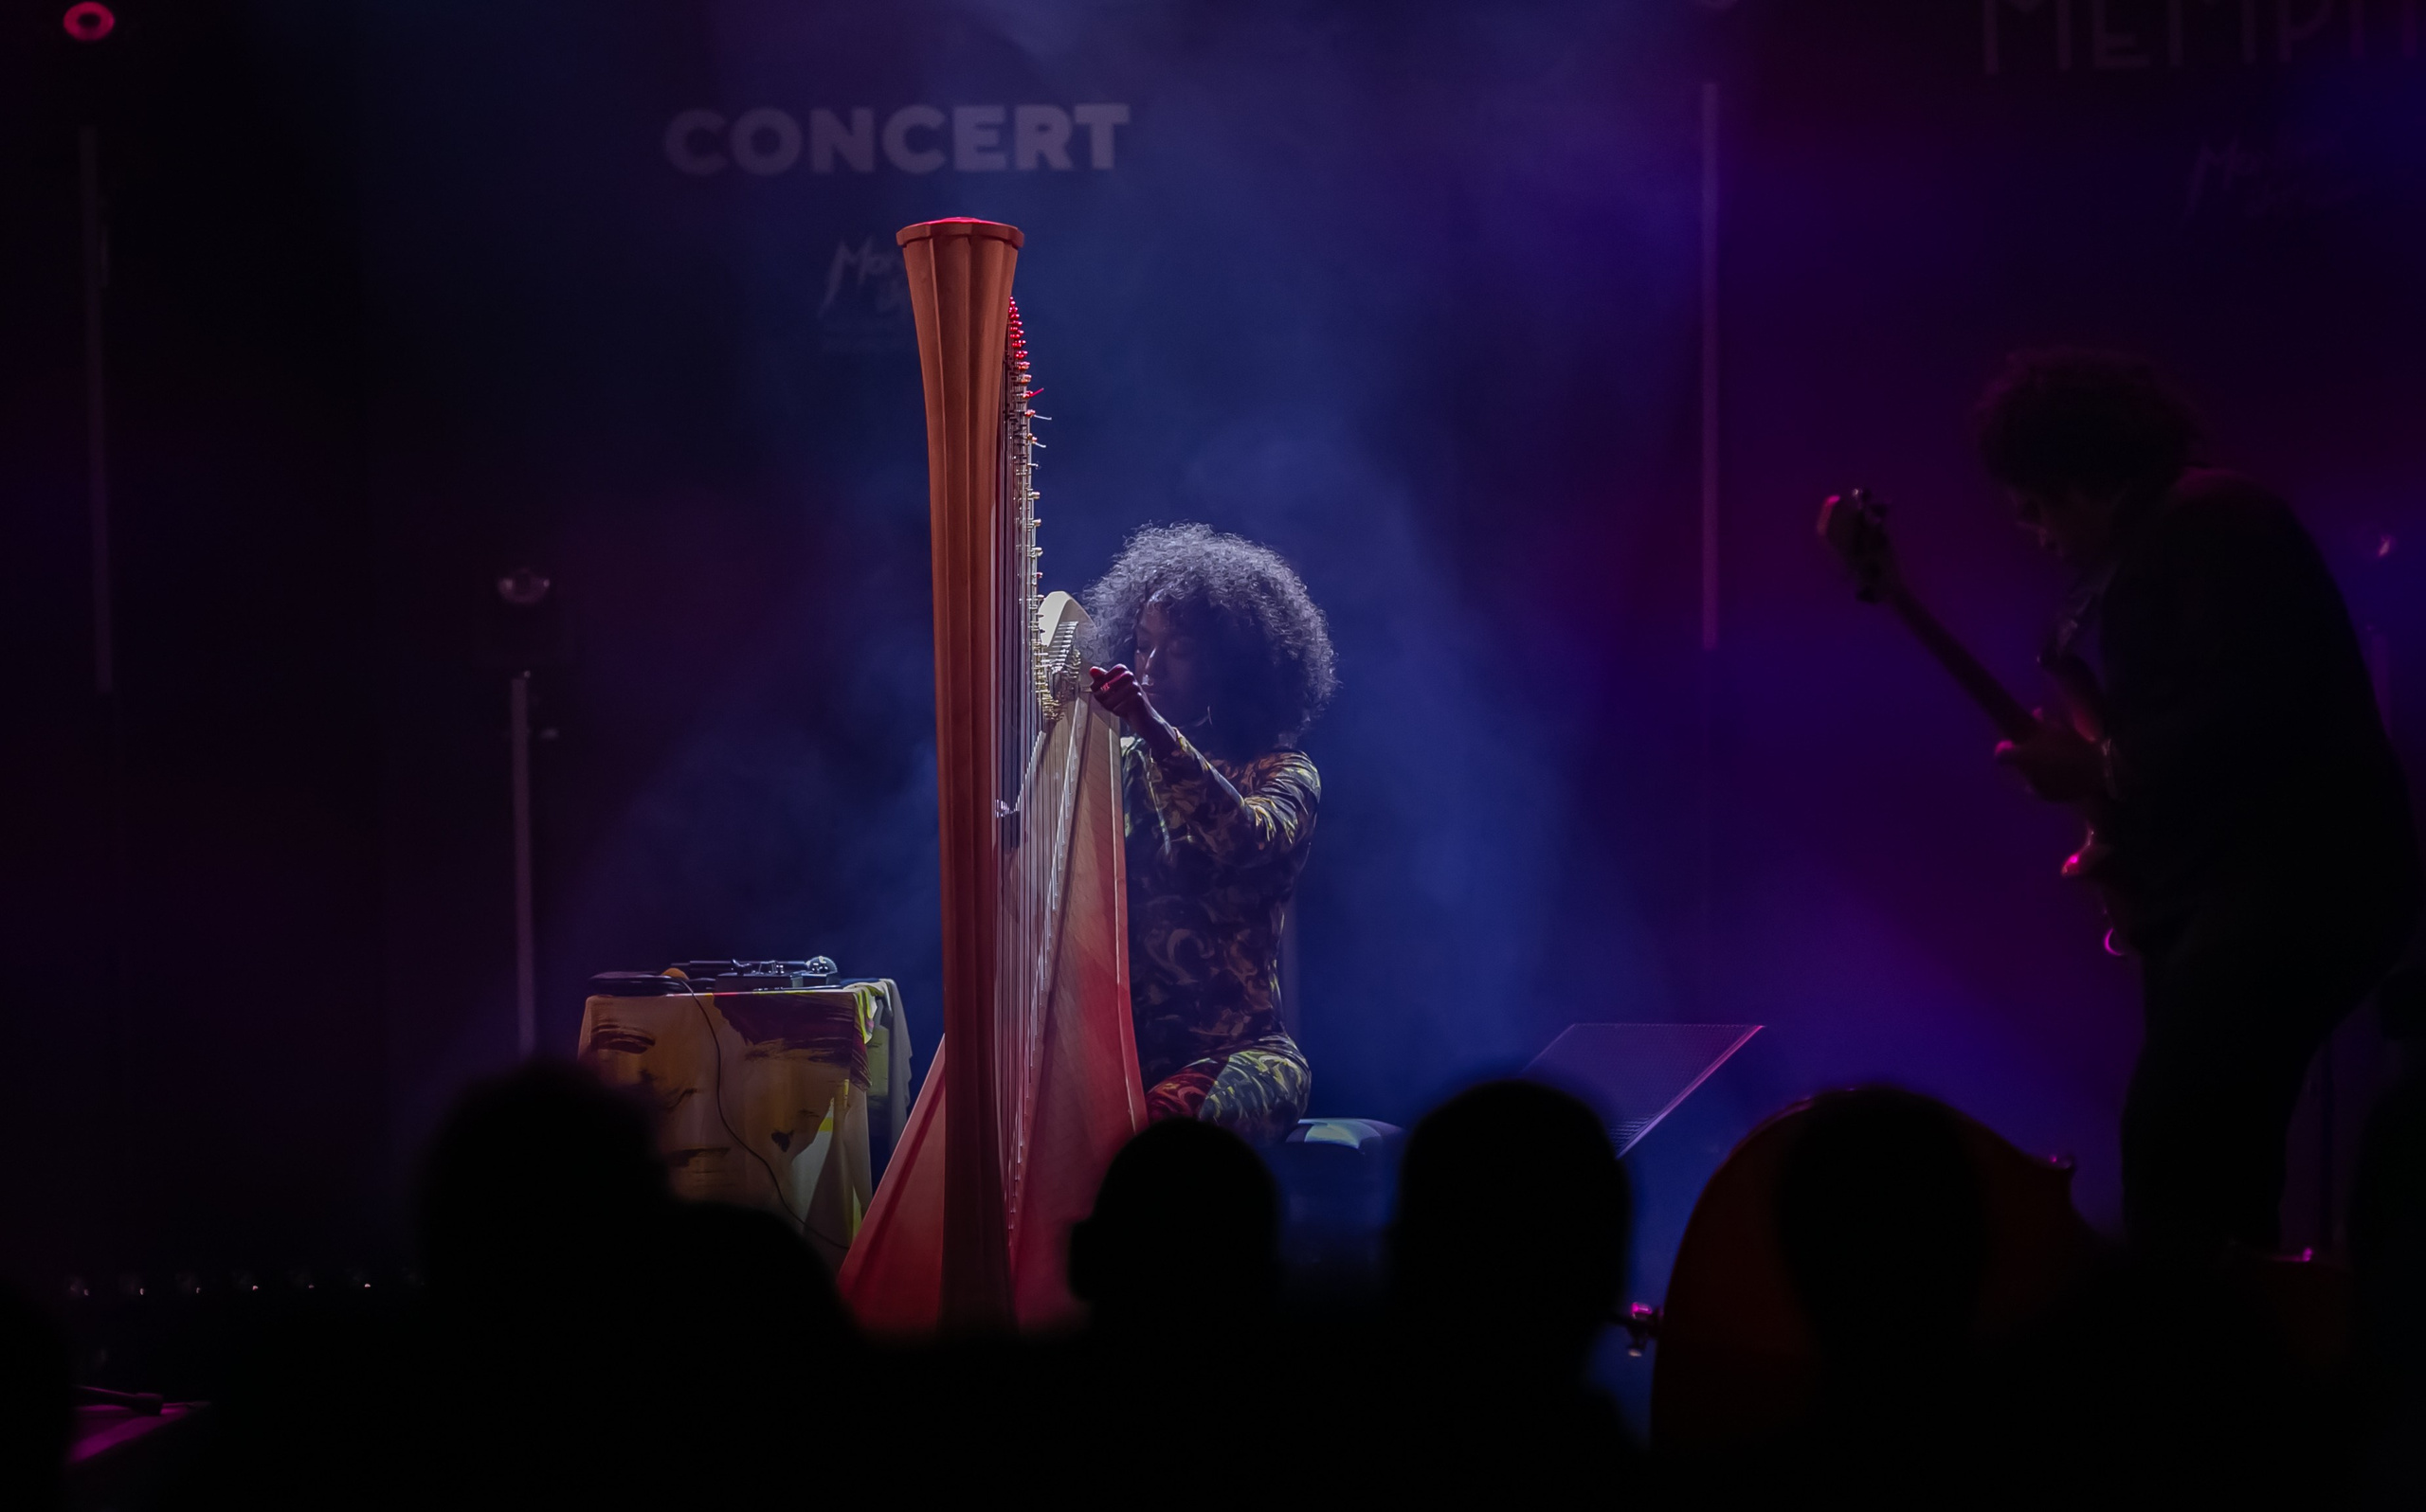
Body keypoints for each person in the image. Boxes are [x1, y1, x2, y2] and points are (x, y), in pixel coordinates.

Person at [1975, 349, 2420, 1256]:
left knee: (2184, 1150)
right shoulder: (2178, 534)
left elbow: (2240, 708)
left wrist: (2103, 768)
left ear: (2069, 477)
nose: (2030, 531)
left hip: (2294, 889)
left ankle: (2213, 1377)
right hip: (2264, 891)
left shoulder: (2207, 523)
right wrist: (2123, 836)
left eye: (2031, 503)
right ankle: (2233, 1363)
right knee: (2203, 1154)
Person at [1084, 524, 1337, 1145]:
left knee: (1156, 1126)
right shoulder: (1117, 766)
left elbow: (1245, 840)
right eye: (1143, 645)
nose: (1148, 666)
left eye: (1178, 650)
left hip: (1245, 1057)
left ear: (1233, 664)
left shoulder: (1282, 773)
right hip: (1120, 1053)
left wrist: (1151, 728)